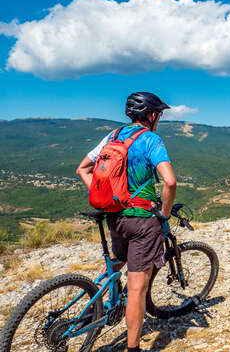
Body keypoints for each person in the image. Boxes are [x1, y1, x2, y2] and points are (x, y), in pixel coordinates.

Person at [76, 92, 176, 352]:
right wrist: (164, 214)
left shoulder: (112, 136)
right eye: (159, 115)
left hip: (114, 217)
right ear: (152, 115)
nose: (159, 120)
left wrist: (105, 199)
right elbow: (169, 181)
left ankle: (103, 295)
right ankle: (133, 348)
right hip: (142, 221)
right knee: (137, 288)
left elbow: (83, 169)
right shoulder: (151, 140)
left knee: (120, 260)